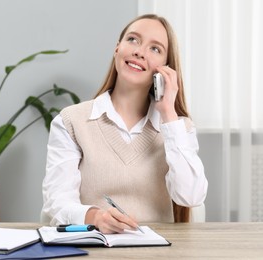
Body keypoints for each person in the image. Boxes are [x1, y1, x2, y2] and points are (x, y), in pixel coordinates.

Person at [41, 14, 208, 234]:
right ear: (117, 48)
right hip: (93, 247)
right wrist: (96, 217)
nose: (139, 51)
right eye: (133, 40)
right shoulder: (71, 121)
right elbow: (57, 203)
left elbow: (191, 196)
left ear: (165, 69)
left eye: (155, 49)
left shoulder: (179, 127)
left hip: (159, 252)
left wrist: (168, 114)